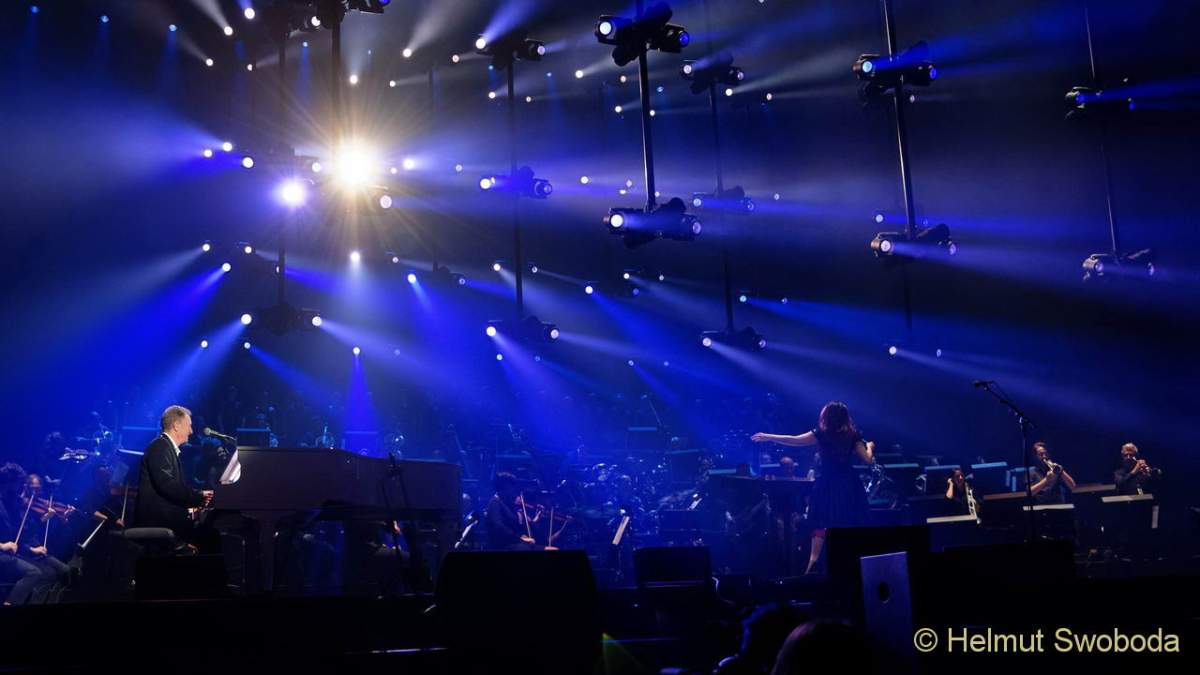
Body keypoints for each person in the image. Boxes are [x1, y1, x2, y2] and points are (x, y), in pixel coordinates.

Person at [752, 401, 873, 574]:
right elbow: (867, 460)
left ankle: (813, 563)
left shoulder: (821, 434)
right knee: (848, 522)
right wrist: (870, 447)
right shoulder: (853, 435)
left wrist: (769, 436)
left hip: (827, 484)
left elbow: (794, 440)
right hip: (848, 484)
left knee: (821, 523)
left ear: (826, 417)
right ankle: (851, 564)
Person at [133, 406, 212, 542]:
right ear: (176, 426)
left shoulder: (166, 447)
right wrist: (198, 496)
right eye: (189, 426)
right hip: (158, 528)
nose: (191, 431)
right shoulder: (160, 447)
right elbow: (167, 485)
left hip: (165, 523)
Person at [0, 464, 62, 605]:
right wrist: (2, 545)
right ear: (8, 483)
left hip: (9, 552)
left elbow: (19, 534)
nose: (20, 490)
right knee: (34, 573)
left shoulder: (10, 503)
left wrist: (43, 520)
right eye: (18, 485)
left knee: (50, 573)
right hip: (2, 552)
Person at [484, 472, 534, 550]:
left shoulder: (506, 503)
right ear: (504, 487)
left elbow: (514, 524)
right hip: (503, 546)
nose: (514, 490)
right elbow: (499, 526)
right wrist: (519, 538)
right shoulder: (495, 503)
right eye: (512, 486)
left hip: (512, 542)